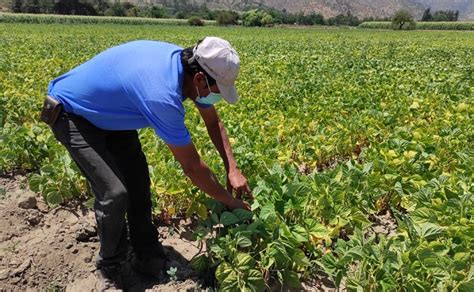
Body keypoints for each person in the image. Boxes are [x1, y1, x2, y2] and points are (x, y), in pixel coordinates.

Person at [42, 36, 252, 290]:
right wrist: (230, 202)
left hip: (113, 115)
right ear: (199, 80)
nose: (215, 98)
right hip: (72, 114)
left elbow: (213, 123)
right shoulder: (161, 94)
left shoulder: (190, 69)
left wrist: (233, 168)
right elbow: (192, 167)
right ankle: (111, 268)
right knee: (115, 193)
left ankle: (147, 254)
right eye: (217, 91)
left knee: (138, 184)